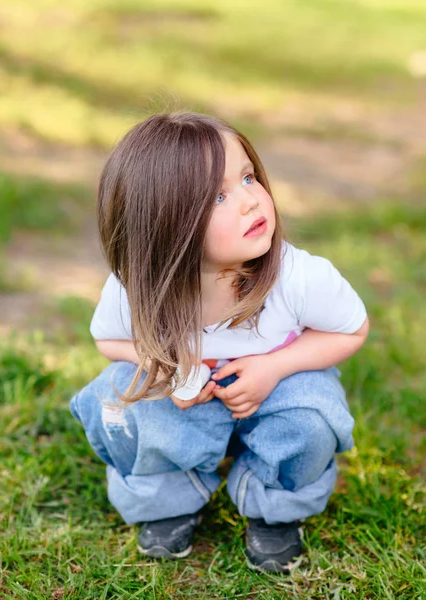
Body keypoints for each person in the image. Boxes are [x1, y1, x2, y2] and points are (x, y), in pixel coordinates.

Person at [69, 111, 369, 573]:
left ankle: (275, 500)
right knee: (117, 396)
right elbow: (108, 339)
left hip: (274, 396)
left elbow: (351, 329)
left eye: (249, 177)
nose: (251, 202)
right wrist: (158, 360)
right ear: (163, 226)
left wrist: (275, 368)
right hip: (185, 403)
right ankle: (168, 494)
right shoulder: (138, 285)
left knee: (312, 413)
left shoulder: (298, 277)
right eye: (219, 197)